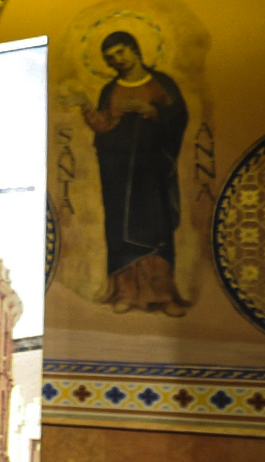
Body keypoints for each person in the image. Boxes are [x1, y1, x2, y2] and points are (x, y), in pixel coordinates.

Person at [80, 30, 190, 315]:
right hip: (117, 172)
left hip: (152, 170)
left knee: (157, 228)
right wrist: (85, 107)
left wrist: (151, 110)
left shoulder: (161, 83)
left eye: (120, 52)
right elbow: (103, 125)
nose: (117, 60)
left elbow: (179, 118)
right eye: (110, 57)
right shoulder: (110, 89)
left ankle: (164, 295)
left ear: (134, 49)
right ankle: (125, 293)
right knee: (121, 230)